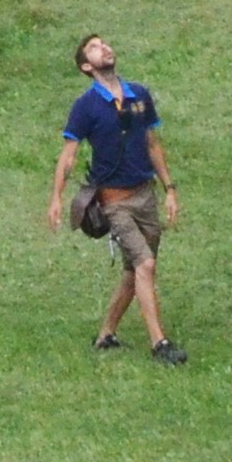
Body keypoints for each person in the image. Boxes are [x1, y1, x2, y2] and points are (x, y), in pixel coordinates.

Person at [47, 34, 186, 365]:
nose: (104, 48)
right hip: (115, 203)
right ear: (86, 66)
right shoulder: (86, 107)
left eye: (105, 44)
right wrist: (56, 197)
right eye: (95, 48)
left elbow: (152, 143)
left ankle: (105, 335)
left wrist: (169, 188)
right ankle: (160, 345)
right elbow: (68, 156)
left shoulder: (140, 95)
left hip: (145, 197)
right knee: (145, 264)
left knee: (133, 273)